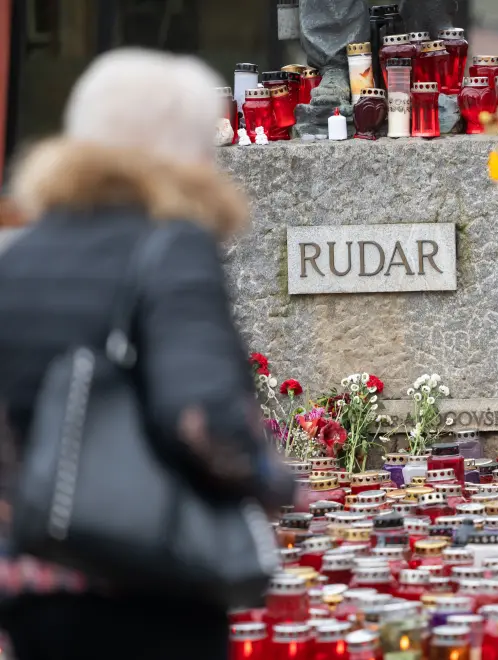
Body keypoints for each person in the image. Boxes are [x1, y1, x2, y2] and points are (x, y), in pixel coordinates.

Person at [0, 49, 295, 660]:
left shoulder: (18, 253)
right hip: (148, 581)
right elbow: (201, 417)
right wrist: (272, 481)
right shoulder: (170, 246)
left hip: (31, 588)